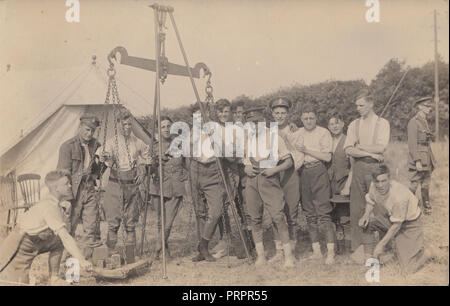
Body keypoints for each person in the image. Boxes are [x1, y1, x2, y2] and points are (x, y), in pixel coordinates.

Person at [0, 170, 92, 285]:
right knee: (16, 283)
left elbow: (62, 236)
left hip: (35, 241)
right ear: (56, 188)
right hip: (18, 247)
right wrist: (81, 260)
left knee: (58, 241)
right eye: (66, 183)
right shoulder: (50, 206)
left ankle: (54, 278)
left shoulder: (55, 203)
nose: (70, 186)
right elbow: (66, 238)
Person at [243, 107, 295, 268]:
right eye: (251, 123)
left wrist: (274, 169)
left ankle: (288, 257)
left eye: (257, 122)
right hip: (252, 181)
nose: (254, 126)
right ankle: (261, 256)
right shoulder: (248, 138)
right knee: (254, 218)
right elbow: (245, 160)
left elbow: (288, 161)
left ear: (263, 121)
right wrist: (246, 167)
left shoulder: (274, 137)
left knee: (278, 217)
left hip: (270, 179)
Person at [97, 109, 151, 264]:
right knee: (113, 223)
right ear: (118, 124)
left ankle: (131, 256)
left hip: (132, 186)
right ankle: (110, 254)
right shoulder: (111, 141)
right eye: (124, 124)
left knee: (130, 224)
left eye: (129, 124)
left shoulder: (137, 141)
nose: (127, 127)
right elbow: (104, 154)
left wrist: (143, 169)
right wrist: (105, 157)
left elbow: (147, 157)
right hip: (115, 185)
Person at [344, 92, 390, 255]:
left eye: (361, 105)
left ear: (370, 104)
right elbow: (348, 148)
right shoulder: (353, 124)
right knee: (357, 207)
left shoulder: (382, 123)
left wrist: (360, 147)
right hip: (358, 167)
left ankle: (383, 247)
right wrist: (369, 153)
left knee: (379, 206)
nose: (358, 109)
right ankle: (358, 248)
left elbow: (381, 147)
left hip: (376, 169)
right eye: (356, 105)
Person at [359, 164, 426, 274]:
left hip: (410, 224)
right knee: (368, 223)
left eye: (384, 181)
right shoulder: (373, 186)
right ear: (373, 180)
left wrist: (380, 245)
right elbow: (370, 200)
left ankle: (427, 252)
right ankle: (370, 260)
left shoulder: (400, 196)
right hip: (392, 219)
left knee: (407, 270)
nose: (380, 185)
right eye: (377, 181)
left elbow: (397, 226)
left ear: (389, 179)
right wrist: (366, 214)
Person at [292, 104, 335, 265]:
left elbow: (327, 157)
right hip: (303, 173)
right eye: (305, 118)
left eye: (311, 118)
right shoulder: (297, 133)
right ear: (301, 119)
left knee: (324, 213)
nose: (308, 121)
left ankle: (330, 252)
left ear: (316, 118)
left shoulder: (323, 132)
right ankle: (317, 251)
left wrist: (306, 150)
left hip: (319, 170)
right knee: (309, 214)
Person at [57, 113, 103, 260]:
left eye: (92, 131)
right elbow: (63, 175)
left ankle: (87, 264)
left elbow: (98, 173)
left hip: (90, 188)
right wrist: (65, 199)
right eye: (87, 129)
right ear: (80, 127)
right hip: (73, 191)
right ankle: (64, 264)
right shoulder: (67, 146)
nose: (89, 134)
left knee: (91, 228)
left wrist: (102, 163)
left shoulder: (96, 145)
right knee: (69, 228)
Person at [189, 104, 228, 262]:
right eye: (196, 117)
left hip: (213, 171)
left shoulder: (217, 128)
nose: (200, 119)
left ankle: (203, 244)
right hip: (196, 169)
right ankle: (202, 251)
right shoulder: (192, 132)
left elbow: (227, 148)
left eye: (202, 115)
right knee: (200, 212)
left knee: (216, 211)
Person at [268, 97, 303, 261]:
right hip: (274, 174)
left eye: (283, 113)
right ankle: (279, 250)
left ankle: (292, 249)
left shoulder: (295, 131)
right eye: (277, 113)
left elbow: (299, 155)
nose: (280, 116)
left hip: (291, 174)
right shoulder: (268, 131)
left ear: (288, 114)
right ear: (272, 114)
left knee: (291, 212)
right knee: (276, 212)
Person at [149, 115, 187, 260]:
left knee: (168, 222)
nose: (166, 129)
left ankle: (157, 250)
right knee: (161, 221)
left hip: (175, 188)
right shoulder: (153, 146)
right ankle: (166, 251)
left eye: (168, 126)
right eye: (162, 126)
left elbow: (187, 164)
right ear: (158, 129)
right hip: (158, 187)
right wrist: (154, 161)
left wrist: (185, 176)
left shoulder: (179, 144)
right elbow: (149, 170)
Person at [407, 97, 436, 215]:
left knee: (426, 182)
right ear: (419, 107)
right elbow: (412, 143)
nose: (429, 108)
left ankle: (426, 205)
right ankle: (409, 206)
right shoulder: (414, 122)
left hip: (427, 155)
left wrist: (431, 158)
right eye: (426, 106)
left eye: (430, 106)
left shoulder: (424, 121)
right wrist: (417, 160)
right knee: (414, 183)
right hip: (419, 157)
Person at [327, 111, 352, 197]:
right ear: (329, 127)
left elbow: (353, 166)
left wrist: (347, 186)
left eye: (337, 123)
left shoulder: (349, 140)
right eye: (332, 124)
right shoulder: (327, 141)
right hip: (329, 183)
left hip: (344, 182)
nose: (335, 126)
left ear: (342, 124)